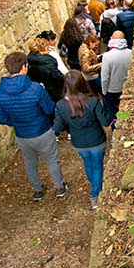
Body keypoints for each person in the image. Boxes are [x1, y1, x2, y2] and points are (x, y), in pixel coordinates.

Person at [0, 51, 68, 201]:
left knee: (30, 162)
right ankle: (60, 187)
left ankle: (38, 190)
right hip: (43, 130)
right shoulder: (35, 88)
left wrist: (14, 122)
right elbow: (49, 108)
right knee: (52, 159)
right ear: (24, 67)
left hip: (22, 134)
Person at [54, 72, 113, 210]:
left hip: (78, 143)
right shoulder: (92, 101)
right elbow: (105, 121)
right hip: (97, 141)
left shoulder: (61, 105)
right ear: (82, 83)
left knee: (88, 164)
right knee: (98, 166)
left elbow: (58, 127)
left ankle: (95, 186)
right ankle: (95, 194)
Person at [101, 30, 131, 128]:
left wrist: (104, 91)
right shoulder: (131, 53)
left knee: (113, 113)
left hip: (112, 90)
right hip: (127, 88)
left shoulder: (107, 56)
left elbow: (105, 78)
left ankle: (116, 130)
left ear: (112, 40)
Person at [27, 37, 65, 102]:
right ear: (42, 50)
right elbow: (58, 77)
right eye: (47, 48)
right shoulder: (48, 63)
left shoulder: (31, 61)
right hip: (56, 92)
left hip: (43, 92)